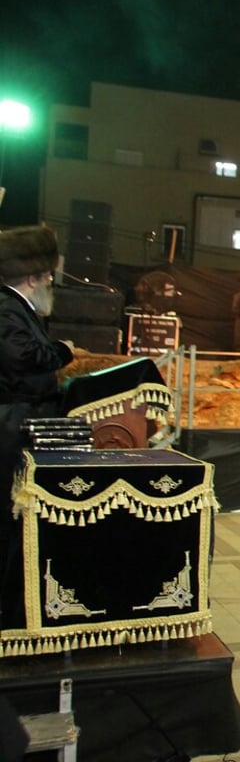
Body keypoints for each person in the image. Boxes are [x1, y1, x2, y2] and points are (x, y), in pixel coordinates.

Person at [1, 226, 75, 597]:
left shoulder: (17, 308)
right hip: (10, 428)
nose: (50, 284)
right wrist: (62, 350)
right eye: (47, 277)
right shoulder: (6, 308)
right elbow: (23, 357)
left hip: (20, 422)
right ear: (32, 278)